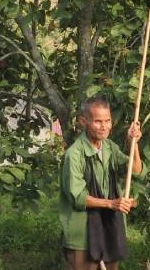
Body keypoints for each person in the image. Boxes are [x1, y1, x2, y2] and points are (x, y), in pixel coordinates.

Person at [59, 96, 143, 270]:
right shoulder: (74, 155)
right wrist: (112, 203)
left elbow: (135, 170)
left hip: (109, 225)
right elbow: (78, 198)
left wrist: (133, 144)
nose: (104, 126)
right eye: (98, 121)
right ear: (84, 121)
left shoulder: (110, 147)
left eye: (107, 121)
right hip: (82, 231)